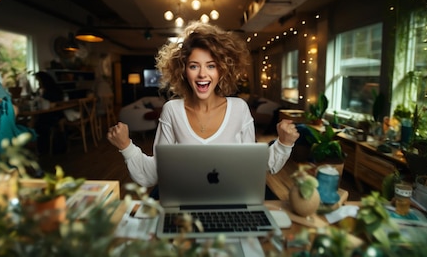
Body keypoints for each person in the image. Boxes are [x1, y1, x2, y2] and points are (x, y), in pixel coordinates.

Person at [107, 22, 300, 189]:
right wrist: (126, 146)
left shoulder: (239, 109)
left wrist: (284, 143)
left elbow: (252, 165)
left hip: (230, 201)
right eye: (193, 66)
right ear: (183, 71)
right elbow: (154, 173)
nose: (202, 74)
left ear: (222, 70)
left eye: (211, 65)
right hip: (185, 207)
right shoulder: (172, 110)